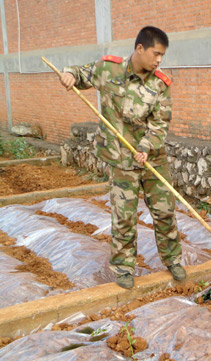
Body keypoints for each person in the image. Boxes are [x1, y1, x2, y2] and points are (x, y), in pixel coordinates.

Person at [59, 26, 185, 289]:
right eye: (156, 53)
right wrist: (69, 74)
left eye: (163, 55)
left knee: (164, 212)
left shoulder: (160, 83)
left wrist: (147, 147)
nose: (159, 60)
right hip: (121, 160)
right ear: (140, 49)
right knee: (124, 216)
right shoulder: (109, 69)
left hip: (151, 159)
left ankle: (173, 260)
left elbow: (160, 124)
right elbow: (81, 73)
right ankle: (124, 267)